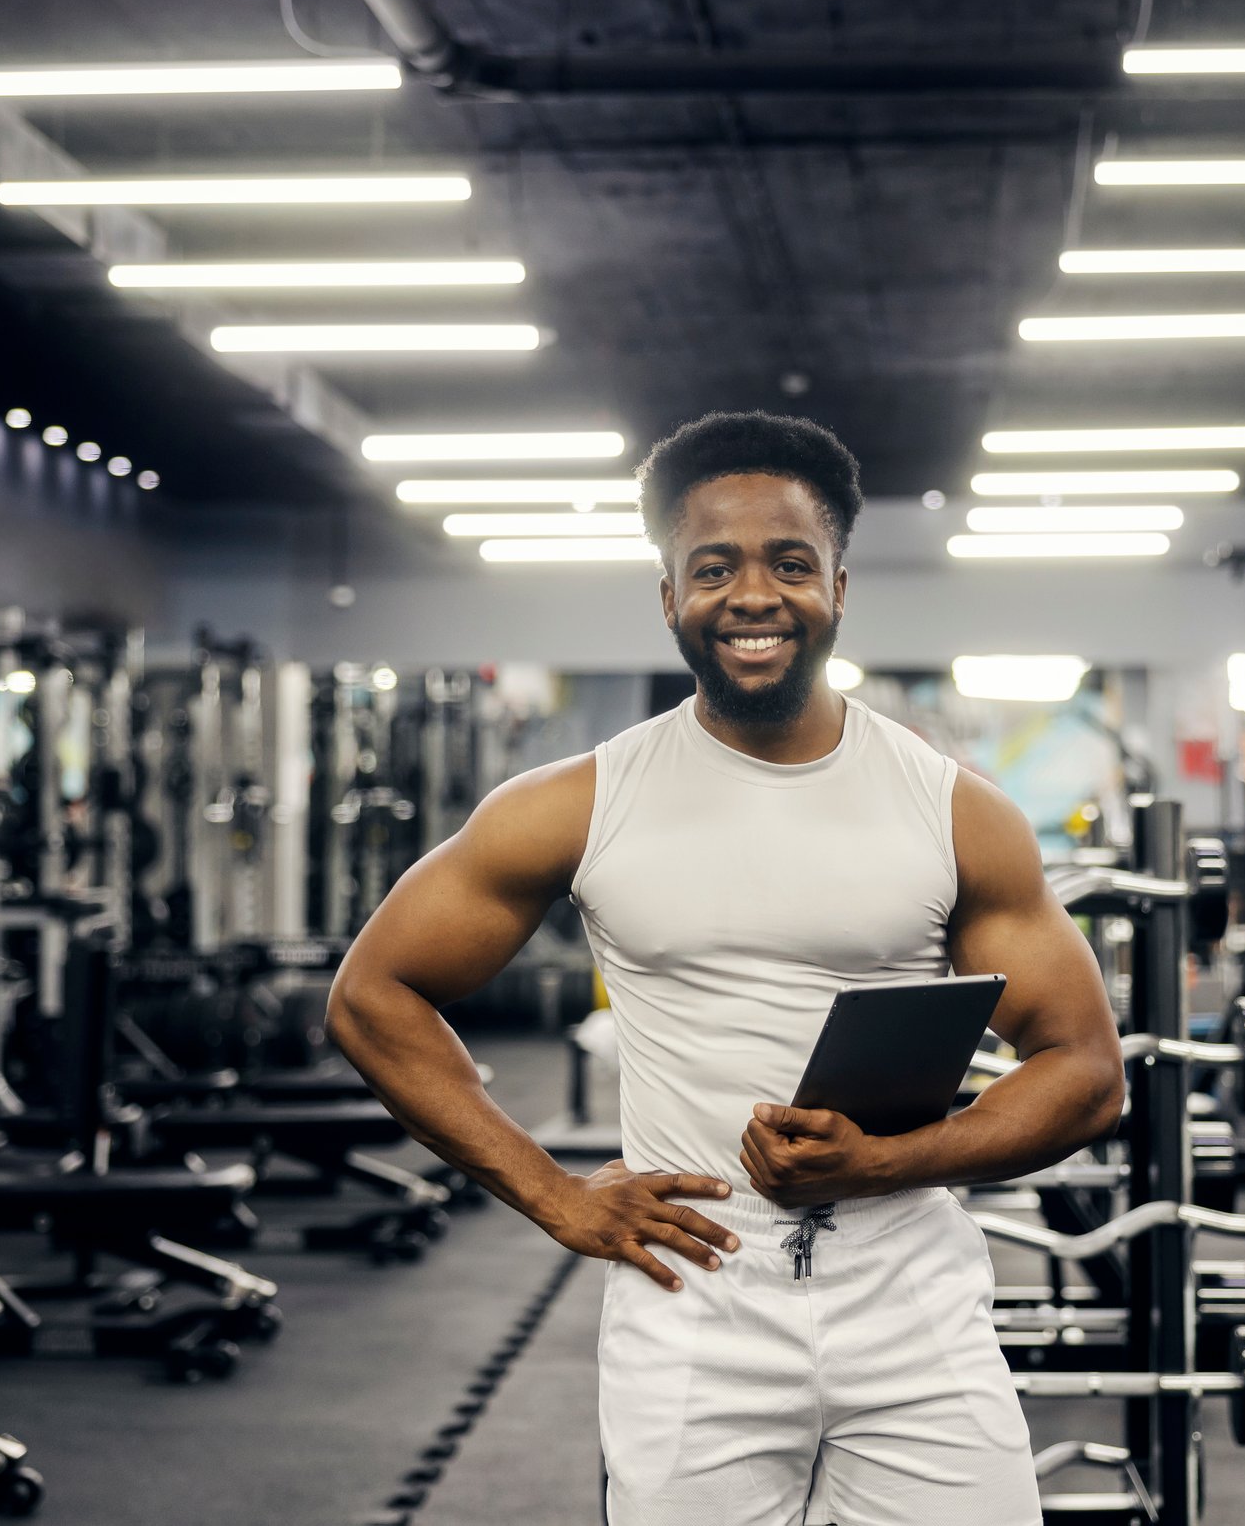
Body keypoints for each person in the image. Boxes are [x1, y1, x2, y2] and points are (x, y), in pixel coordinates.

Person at [328, 411, 1123, 1525]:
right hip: (693, 1301)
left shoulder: (955, 813)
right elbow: (372, 995)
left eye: (790, 564)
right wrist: (552, 1192)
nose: (755, 596)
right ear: (669, 598)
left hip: (914, 1307)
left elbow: (1086, 1070)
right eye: (715, 568)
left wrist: (890, 1163)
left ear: (838, 584)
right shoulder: (577, 803)